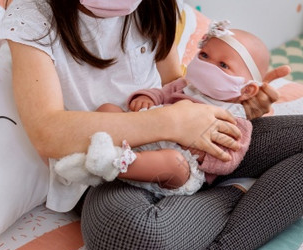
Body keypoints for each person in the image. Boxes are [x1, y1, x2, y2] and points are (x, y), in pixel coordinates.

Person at [0, 0, 303, 250]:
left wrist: (238, 102)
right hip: (112, 167)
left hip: (191, 137)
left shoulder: (153, 5)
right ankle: (243, 192)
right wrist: (169, 122)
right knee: (127, 244)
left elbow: (174, 81)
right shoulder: (33, 17)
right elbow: (47, 133)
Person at [52, 21, 266, 198]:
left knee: (174, 163)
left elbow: (229, 158)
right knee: (108, 109)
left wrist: (200, 152)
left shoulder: (235, 118)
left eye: (223, 65)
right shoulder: (184, 86)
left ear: (247, 90)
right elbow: (161, 93)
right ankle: (96, 158)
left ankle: (110, 163)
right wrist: (145, 98)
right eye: (204, 56)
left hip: (177, 166)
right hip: (143, 136)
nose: (208, 65)